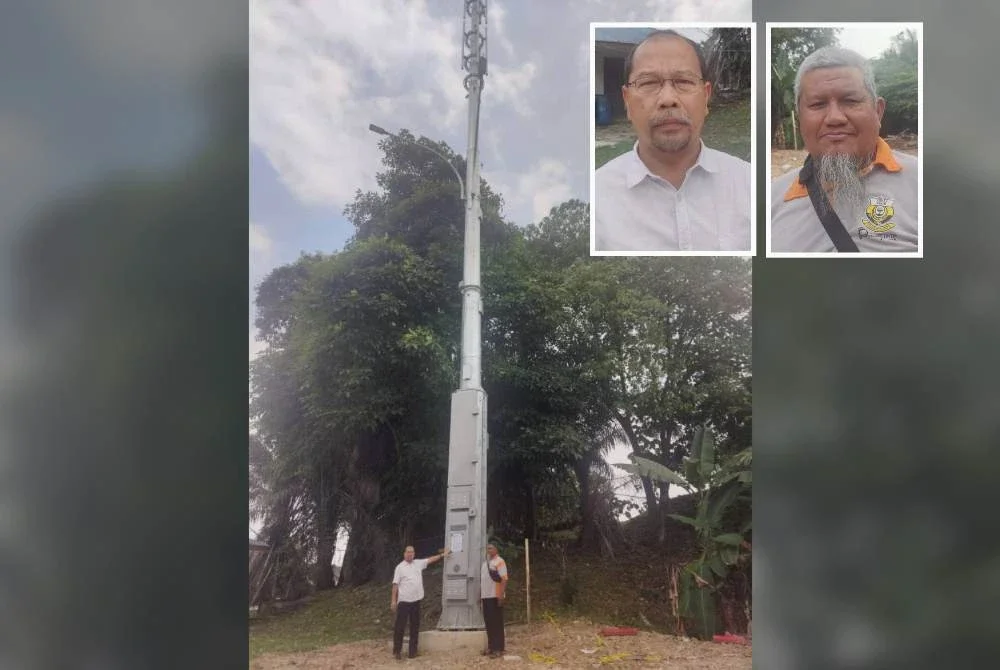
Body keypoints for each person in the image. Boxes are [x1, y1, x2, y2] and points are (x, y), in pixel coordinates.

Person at [594, 29, 751, 253]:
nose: (668, 99)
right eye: (648, 83)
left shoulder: (750, 185)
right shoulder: (597, 200)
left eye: (683, 81)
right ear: (627, 101)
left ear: (706, 96)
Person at [770, 46, 918, 253]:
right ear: (799, 119)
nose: (835, 118)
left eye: (850, 101)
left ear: (878, 111)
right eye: (818, 104)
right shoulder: (770, 201)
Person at [390, 544, 450, 660]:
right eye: (408, 552)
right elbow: (395, 585)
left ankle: (413, 652)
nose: (410, 554)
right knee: (400, 627)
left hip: (416, 600)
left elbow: (430, 560)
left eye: (412, 552)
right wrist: (393, 600)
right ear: (404, 554)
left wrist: (443, 555)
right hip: (403, 601)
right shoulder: (400, 567)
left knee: (415, 626)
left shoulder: (418, 563)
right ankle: (397, 651)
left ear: (414, 554)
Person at [480, 542, 509, 658]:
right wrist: (480, 596)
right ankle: (491, 647)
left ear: (496, 549)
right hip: (485, 596)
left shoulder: (500, 561)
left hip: (495, 595)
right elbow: (482, 581)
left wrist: (501, 596)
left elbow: (504, 579)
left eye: (491, 548)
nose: (489, 550)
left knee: (497, 622)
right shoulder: (484, 564)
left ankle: (499, 648)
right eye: (487, 548)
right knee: (489, 623)